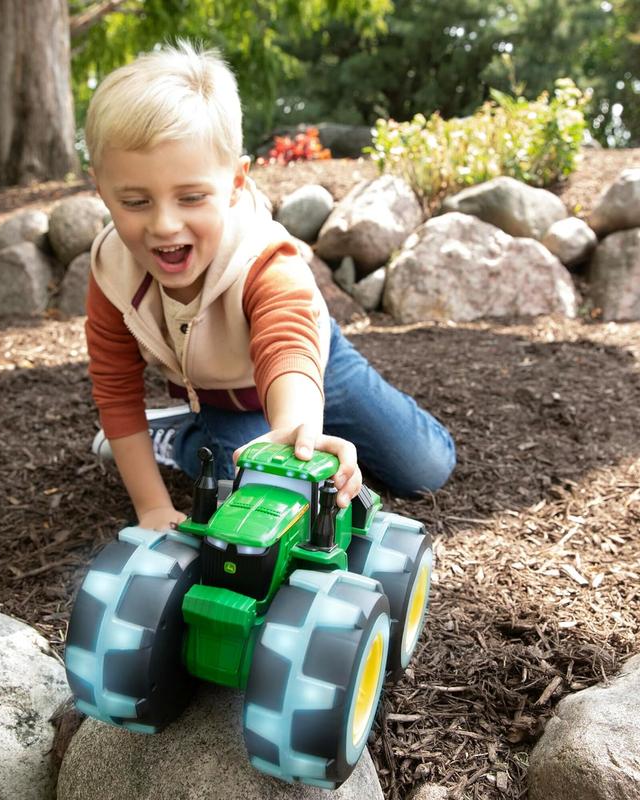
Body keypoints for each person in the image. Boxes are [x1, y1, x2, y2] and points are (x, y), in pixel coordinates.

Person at [84, 40, 456, 532]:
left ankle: (245, 431)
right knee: (243, 490)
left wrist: (296, 429)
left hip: (317, 365)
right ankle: (180, 437)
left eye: (192, 197)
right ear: (101, 189)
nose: (165, 225)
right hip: (218, 393)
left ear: (237, 182)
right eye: (134, 202)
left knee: (426, 468)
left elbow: (288, 347)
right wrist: (152, 507)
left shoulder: (263, 256)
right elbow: (116, 392)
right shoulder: (112, 272)